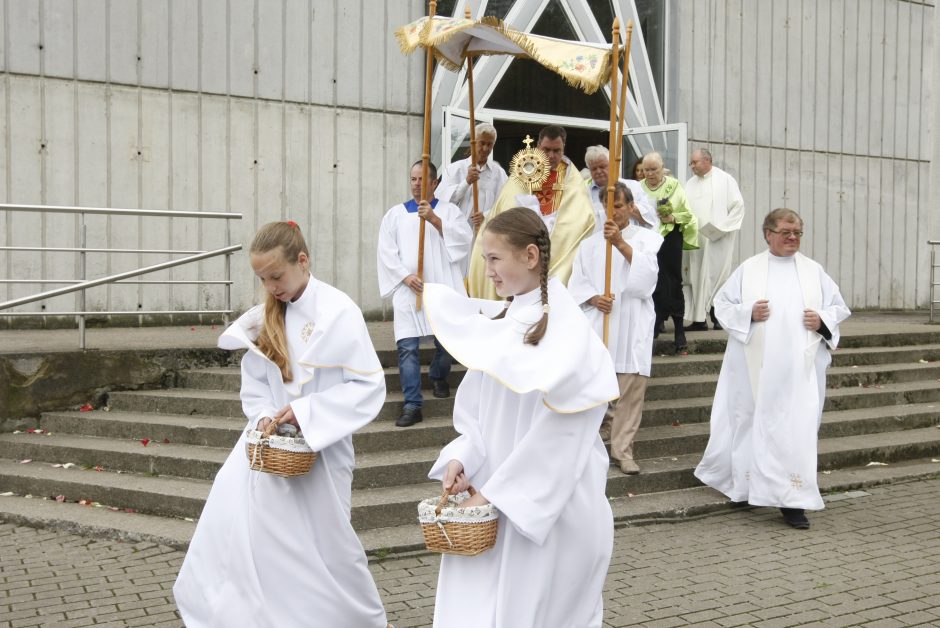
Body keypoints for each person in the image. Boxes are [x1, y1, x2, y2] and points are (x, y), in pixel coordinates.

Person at [173, 221, 390, 628]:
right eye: (262, 279)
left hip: (322, 453)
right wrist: (265, 418)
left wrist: (306, 415)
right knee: (256, 543)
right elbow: (254, 386)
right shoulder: (263, 319)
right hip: (267, 454)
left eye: (277, 276)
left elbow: (368, 386)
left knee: (329, 546)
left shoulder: (339, 311)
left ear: (302, 261)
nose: (271, 287)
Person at [422, 207, 619, 627]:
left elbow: (563, 437)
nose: (486, 269)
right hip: (490, 498)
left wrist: (495, 494)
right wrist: (463, 457)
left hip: (545, 508)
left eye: (494, 258)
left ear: (530, 256)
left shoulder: (569, 334)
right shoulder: (499, 320)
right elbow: (477, 412)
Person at [694, 209, 851, 530]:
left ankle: (792, 500)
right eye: (785, 232)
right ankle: (745, 487)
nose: (792, 238)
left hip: (797, 372)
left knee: (794, 430)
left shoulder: (813, 271)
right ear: (768, 233)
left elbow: (838, 307)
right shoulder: (749, 269)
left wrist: (821, 320)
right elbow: (721, 306)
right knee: (750, 423)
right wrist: (748, 312)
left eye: (797, 232)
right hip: (756, 369)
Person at [569, 182, 663, 475]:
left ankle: (623, 451)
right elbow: (576, 284)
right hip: (602, 324)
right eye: (608, 207)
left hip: (633, 322)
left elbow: (647, 281)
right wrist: (594, 298)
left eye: (619, 206)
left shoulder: (648, 239)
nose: (613, 212)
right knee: (595, 391)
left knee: (630, 394)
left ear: (631, 207)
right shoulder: (588, 245)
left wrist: (621, 244)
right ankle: (590, 446)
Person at [377, 161, 473, 427]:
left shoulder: (450, 211)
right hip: (409, 289)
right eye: (413, 179)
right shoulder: (395, 215)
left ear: (435, 183)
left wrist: (435, 220)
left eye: (421, 179)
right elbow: (386, 251)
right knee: (407, 348)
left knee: (446, 343)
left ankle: (439, 375)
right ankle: (412, 404)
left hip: (441, 288)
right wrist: (404, 277)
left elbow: (464, 240)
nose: (416, 184)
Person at [466, 125, 595, 299]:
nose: (551, 156)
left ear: (564, 148)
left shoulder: (573, 180)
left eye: (557, 150)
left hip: (557, 251)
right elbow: (506, 206)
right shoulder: (524, 169)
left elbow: (581, 220)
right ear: (538, 146)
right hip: (521, 244)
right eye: (546, 149)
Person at [640, 151, 698, 354]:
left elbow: (688, 214)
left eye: (654, 169)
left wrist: (672, 216)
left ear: (662, 167)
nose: (650, 174)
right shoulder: (639, 188)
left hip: (670, 238)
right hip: (648, 239)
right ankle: (654, 326)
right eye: (646, 170)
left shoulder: (674, 186)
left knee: (673, 281)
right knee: (652, 281)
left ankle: (679, 330)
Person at [684, 149, 746, 331]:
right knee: (696, 277)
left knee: (718, 277)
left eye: (695, 162)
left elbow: (738, 207)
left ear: (707, 160)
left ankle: (717, 317)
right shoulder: (689, 184)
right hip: (696, 240)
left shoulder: (725, 180)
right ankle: (699, 320)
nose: (692, 166)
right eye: (691, 163)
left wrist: (722, 228)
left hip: (718, 239)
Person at [438, 123, 509, 234]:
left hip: (487, 233)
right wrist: (466, 182)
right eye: (482, 143)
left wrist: (487, 216)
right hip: (458, 233)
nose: (485, 148)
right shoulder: (454, 169)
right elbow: (443, 201)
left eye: (489, 144)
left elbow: (505, 204)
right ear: (473, 142)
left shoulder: (499, 174)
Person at [584, 144, 659, 233]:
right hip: (597, 244)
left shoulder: (633, 187)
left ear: (611, 165)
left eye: (602, 166)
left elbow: (651, 219)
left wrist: (626, 207)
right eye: (594, 169)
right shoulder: (583, 192)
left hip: (628, 242)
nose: (598, 171)